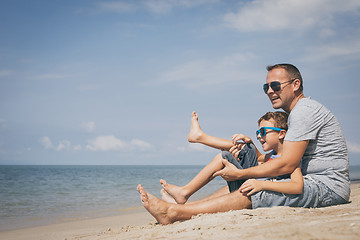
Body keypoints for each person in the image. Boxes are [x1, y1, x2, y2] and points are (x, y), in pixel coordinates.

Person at [137, 63, 350, 225]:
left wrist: (241, 175)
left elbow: (287, 164)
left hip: (327, 187)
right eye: (266, 86)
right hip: (306, 178)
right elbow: (278, 159)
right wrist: (251, 153)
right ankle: (186, 200)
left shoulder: (304, 111)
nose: (269, 91)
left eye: (275, 85)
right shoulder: (298, 114)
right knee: (237, 154)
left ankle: (173, 213)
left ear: (295, 85)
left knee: (254, 190)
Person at [159, 111, 303, 205]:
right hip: (248, 188)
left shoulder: (290, 158)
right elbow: (258, 157)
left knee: (226, 156)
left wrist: (262, 185)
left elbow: (297, 186)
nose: (259, 135)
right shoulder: (271, 155)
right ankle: (199, 137)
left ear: (281, 134)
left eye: (263, 131)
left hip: (252, 196)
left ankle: (184, 192)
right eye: (258, 131)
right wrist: (250, 142)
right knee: (246, 147)